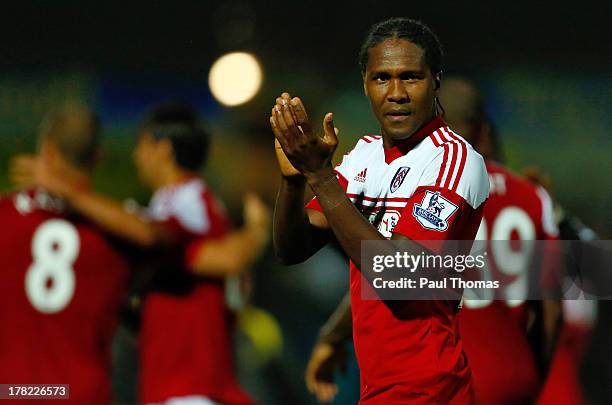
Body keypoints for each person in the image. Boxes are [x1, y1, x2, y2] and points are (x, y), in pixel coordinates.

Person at [271, 18, 489, 404]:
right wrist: (293, 181)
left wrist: (321, 177)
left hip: (430, 387)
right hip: (381, 388)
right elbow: (292, 249)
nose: (397, 93)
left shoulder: (454, 160)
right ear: (365, 84)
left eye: (411, 77)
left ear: (435, 80)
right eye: (382, 78)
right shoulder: (364, 156)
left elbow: (397, 277)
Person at [12, 102, 269, 405]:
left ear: (163, 149)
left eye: (142, 145)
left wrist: (257, 233)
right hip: (178, 385)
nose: (136, 156)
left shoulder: (188, 202)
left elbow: (221, 257)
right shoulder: (176, 203)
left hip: (190, 386)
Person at [0, 106, 129, 404]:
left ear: (47, 151)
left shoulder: (5, 218)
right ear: (98, 158)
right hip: (82, 393)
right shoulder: (120, 232)